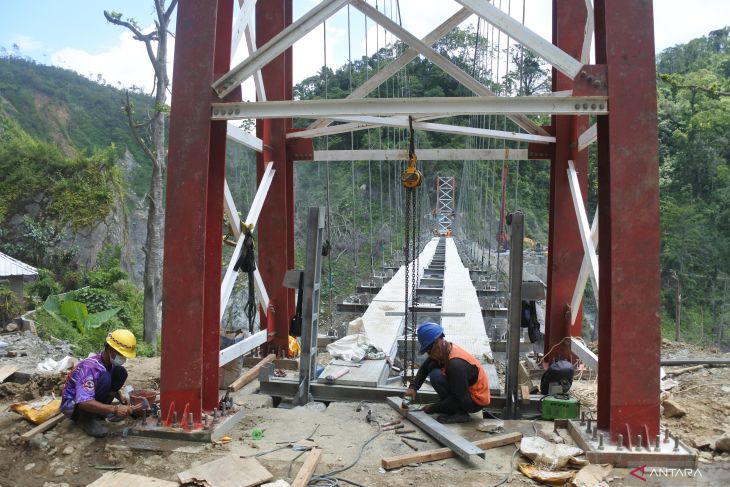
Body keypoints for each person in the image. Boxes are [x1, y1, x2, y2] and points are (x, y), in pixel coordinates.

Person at [61, 329, 143, 437]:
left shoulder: (109, 363)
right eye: (121, 355)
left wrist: (120, 397)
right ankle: (85, 419)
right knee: (105, 378)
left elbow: (106, 385)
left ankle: (100, 413)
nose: (123, 359)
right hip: (75, 407)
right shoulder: (90, 367)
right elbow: (83, 402)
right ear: (110, 349)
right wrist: (115, 409)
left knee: (120, 372)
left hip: (88, 399)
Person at [403, 322, 490, 423]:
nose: (429, 354)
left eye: (429, 351)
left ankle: (460, 413)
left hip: (475, 401)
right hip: (464, 392)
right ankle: (450, 408)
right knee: (432, 366)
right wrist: (413, 388)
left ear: (437, 344)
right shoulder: (444, 349)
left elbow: (457, 398)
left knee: (436, 376)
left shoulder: (456, 364)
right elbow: (425, 367)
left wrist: (433, 408)